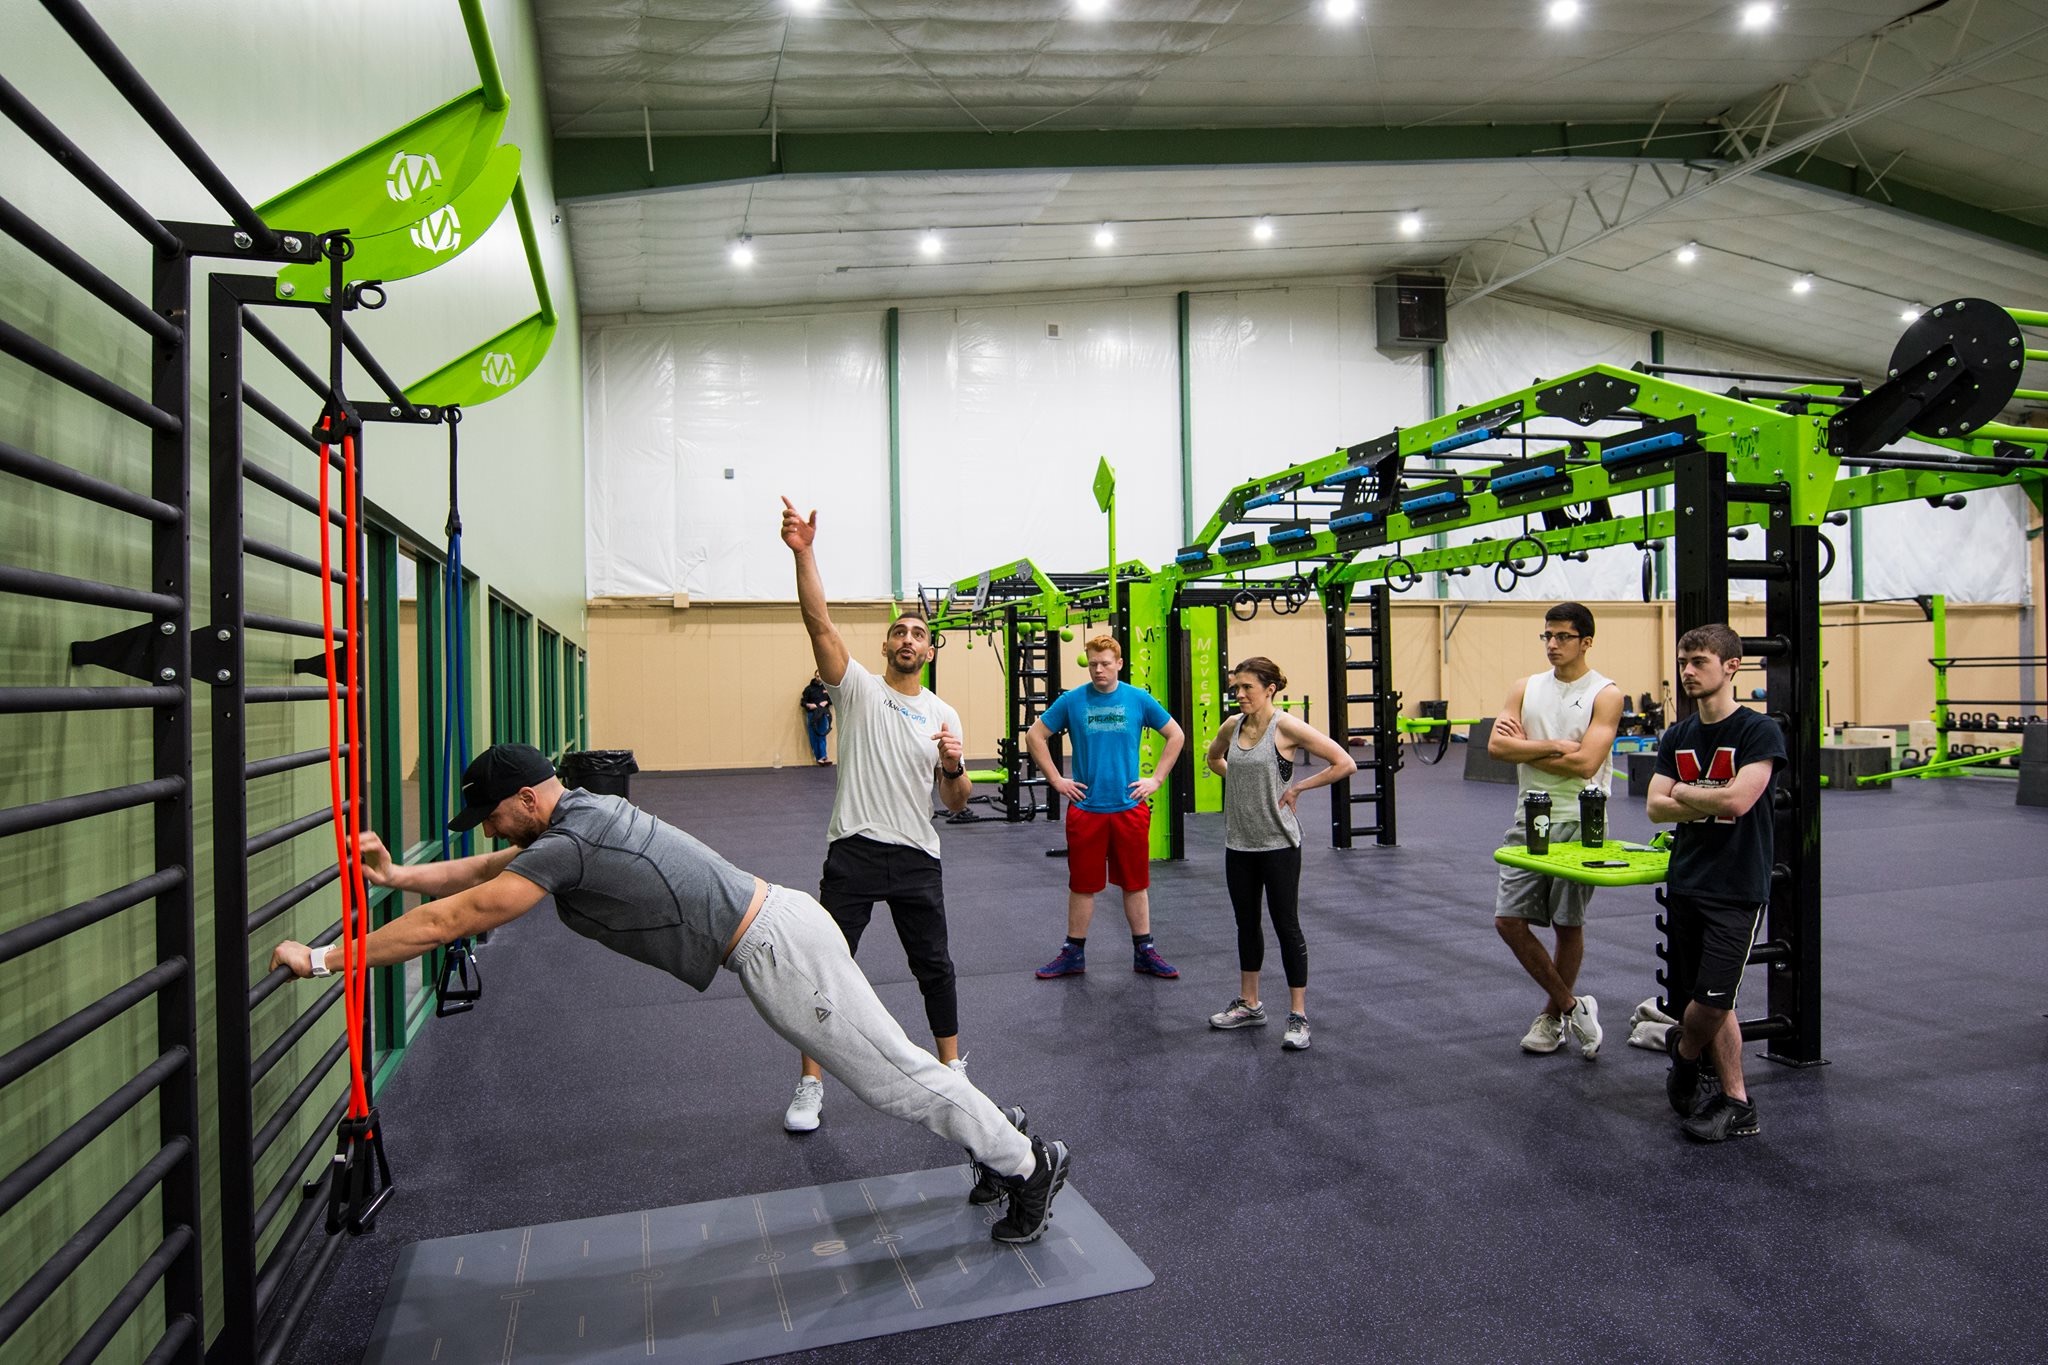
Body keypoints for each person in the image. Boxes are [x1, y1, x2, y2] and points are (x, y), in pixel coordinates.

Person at [269, 744, 1071, 1241]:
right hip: (779, 931)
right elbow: (484, 872)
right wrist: (399, 875)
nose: (486, 828)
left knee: (895, 1083)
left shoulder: (569, 839)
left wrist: (327, 959)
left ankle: (1030, 1161)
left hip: (778, 950)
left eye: (490, 813)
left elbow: (469, 910)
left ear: (525, 798)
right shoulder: (573, 815)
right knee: (899, 1070)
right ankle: (1001, 1135)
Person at [778, 496, 972, 1136]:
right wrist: (805, 552)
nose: (909, 640)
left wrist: (952, 765)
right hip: (855, 852)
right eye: (900, 632)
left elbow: (957, 802)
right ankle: (811, 1081)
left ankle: (953, 1072)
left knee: (935, 969)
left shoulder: (945, 715)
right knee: (825, 968)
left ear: (930, 650)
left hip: (918, 855)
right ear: (886, 645)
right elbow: (819, 625)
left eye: (919, 634)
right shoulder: (857, 688)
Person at [1646, 624, 1785, 1143]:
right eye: (1683, 661)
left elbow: (1737, 801)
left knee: (1710, 998)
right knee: (1708, 997)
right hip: (1686, 881)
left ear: (1732, 666)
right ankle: (1736, 1102)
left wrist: (1683, 790)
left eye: (1699, 661)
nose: (1687, 671)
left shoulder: (1758, 731)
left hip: (1736, 885)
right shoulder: (1678, 735)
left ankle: (1685, 1054)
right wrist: (1701, 792)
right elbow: (1655, 808)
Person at [1486, 602, 1624, 1059]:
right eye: (1547, 635)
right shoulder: (1525, 688)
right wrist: (1549, 745)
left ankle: (1550, 1017)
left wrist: (1523, 748)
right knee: (1508, 921)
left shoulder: (1606, 693)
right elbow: (1495, 747)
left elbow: (1587, 763)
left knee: (1567, 923)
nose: (1552, 644)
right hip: (1529, 814)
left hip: (1582, 819)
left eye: (1563, 636)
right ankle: (1571, 1004)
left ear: (1586, 641)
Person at [1202, 657, 1356, 1050]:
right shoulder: (1231, 727)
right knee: (1246, 924)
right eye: (1235, 688)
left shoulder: (1284, 727)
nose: (1238, 695)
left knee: (1286, 925)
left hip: (1279, 844)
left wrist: (1299, 787)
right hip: (1239, 843)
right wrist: (1240, 780)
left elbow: (1344, 762)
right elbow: (1213, 758)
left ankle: (1298, 1015)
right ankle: (1250, 1004)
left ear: (1270, 688)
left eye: (1246, 688)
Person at [1025, 634, 1188, 981]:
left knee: (1135, 882)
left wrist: (1156, 779)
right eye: (1093, 664)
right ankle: (1073, 953)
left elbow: (1176, 735)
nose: (1099, 670)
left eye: (1105, 664)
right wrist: (1057, 781)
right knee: (1082, 884)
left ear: (1119, 664)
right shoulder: (1072, 701)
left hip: (1128, 806)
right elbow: (1034, 736)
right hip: (1087, 808)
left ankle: (1144, 951)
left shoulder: (1138, 699)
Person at [800, 671, 833, 765]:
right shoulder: (808, 689)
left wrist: (827, 702)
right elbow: (803, 702)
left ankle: (823, 756)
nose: (819, 678)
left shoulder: (827, 688)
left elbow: (833, 699)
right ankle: (819, 757)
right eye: (817, 676)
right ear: (815, 676)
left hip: (823, 713)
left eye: (821, 676)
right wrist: (809, 705)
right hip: (812, 714)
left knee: (822, 734)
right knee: (813, 735)